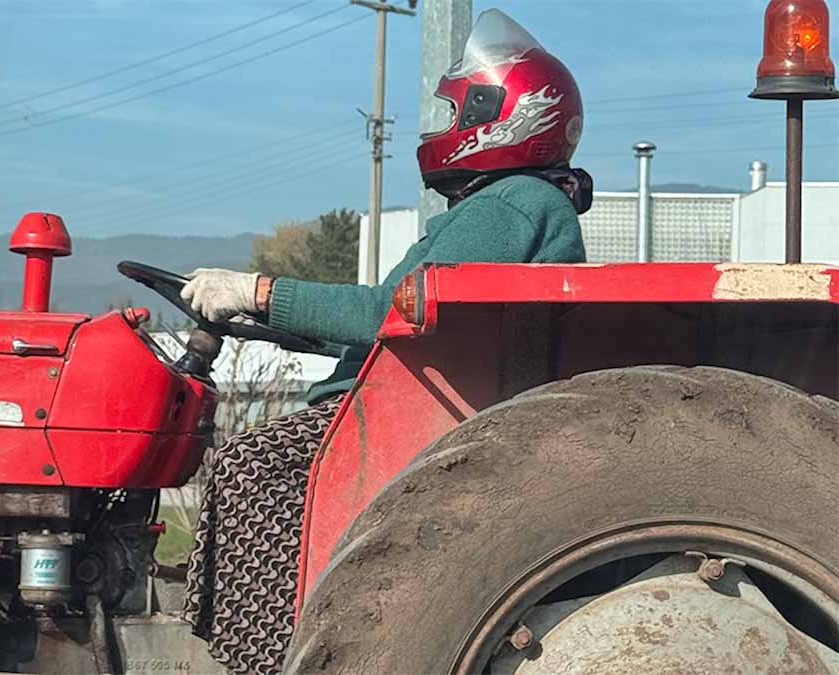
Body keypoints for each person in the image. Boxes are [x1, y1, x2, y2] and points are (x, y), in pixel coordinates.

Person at [178, 10, 593, 674]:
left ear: (506, 114)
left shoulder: (510, 204)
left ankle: (267, 657)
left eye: (459, 110)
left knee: (250, 466)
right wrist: (279, 318)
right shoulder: (516, 202)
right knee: (252, 462)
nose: (444, 125)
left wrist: (257, 290)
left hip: (408, 416)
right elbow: (396, 318)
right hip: (409, 394)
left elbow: (385, 313)